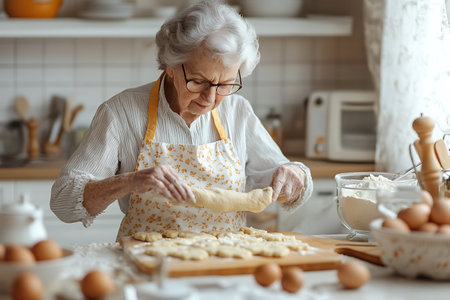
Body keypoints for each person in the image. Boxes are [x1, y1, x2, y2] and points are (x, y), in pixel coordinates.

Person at [50, 0, 312, 239]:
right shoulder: (122, 112)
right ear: (171, 67)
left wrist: (295, 175)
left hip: (227, 262)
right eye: (199, 81)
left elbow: (286, 181)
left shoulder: (237, 111)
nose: (210, 98)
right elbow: (64, 202)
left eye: (225, 84)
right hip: (148, 264)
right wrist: (129, 181)